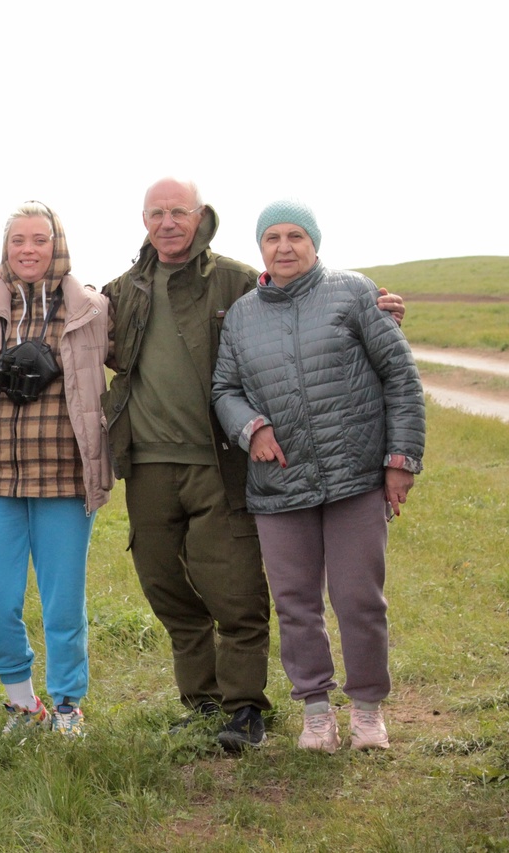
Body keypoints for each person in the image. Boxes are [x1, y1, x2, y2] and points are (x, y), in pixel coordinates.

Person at [101, 177, 406, 752]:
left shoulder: (238, 281)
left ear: (200, 216)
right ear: (144, 220)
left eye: (180, 212)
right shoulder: (122, 290)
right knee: (167, 588)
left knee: (239, 592)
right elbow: (73, 321)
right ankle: (202, 703)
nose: (168, 222)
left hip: (223, 464)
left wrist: (377, 305)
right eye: (157, 213)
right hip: (148, 465)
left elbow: (301, 297)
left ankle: (246, 708)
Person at [212, 199, 424, 752]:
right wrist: (250, 428)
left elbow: (400, 377)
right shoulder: (241, 315)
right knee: (295, 604)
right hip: (279, 488)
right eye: (272, 238)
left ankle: (368, 711)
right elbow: (224, 391)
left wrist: (400, 462)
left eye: (295, 237)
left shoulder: (354, 293)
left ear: (314, 242)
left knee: (359, 599)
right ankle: (315, 712)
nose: (284, 247)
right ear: (260, 248)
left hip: (355, 478)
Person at [0, 201, 111, 737]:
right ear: (5, 248)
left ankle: (68, 704)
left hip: (64, 474)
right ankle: (22, 702)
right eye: (18, 240)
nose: (28, 250)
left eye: (39, 239)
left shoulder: (91, 308)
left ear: (57, 245)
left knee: (63, 602)